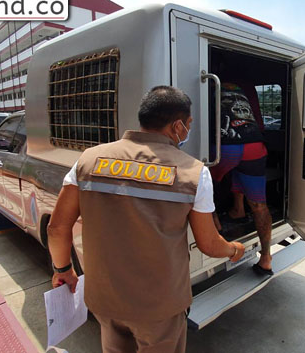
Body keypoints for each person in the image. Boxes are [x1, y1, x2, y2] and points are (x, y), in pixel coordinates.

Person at [47, 86, 245, 353]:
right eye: (188, 124)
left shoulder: (88, 160)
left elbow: (57, 228)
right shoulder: (194, 172)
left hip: (105, 299)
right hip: (159, 307)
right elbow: (209, 244)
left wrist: (63, 271)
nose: (188, 129)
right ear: (178, 126)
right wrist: (234, 250)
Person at [209, 83, 274, 274]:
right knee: (259, 205)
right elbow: (259, 121)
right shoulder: (244, 90)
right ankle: (266, 258)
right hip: (254, 144)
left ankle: (216, 242)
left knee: (207, 189)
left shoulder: (209, 84)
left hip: (225, 145)